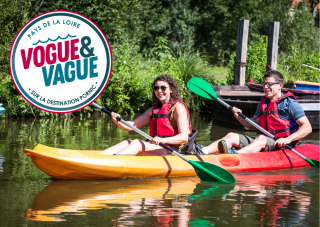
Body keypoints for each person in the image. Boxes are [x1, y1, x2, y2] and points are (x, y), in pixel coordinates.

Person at [205, 70, 312, 154]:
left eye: (269, 84)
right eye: (264, 84)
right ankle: (202, 151)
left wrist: (288, 139)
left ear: (280, 85)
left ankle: (234, 155)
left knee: (261, 138)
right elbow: (253, 125)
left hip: (282, 144)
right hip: (265, 141)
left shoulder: (290, 103)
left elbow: (307, 127)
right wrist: (239, 117)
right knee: (231, 135)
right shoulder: (264, 102)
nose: (266, 87)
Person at [99, 74, 193, 155]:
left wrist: (163, 140)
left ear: (171, 90)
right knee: (127, 142)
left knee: (137, 143)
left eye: (163, 88)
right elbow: (132, 126)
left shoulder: (178, 107)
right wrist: (117, 121)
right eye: (156, 88)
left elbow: (184, 137)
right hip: (158, 147)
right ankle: (98, 158)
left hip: (175, 151)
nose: (159, 90)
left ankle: (113, 163)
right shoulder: (153, 110)